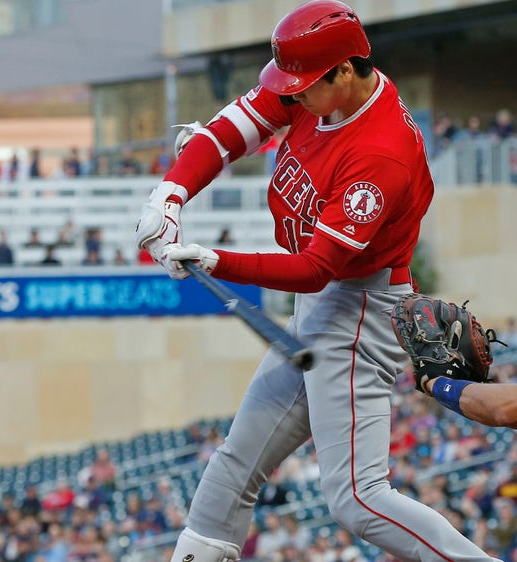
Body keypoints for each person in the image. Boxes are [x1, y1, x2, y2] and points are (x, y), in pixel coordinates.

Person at [133, 2, 497, 561]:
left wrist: (214, 260)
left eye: (302, 87)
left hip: (359, 308)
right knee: (239, 457)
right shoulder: (320, 83)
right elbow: (235, 129)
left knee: (357, 497)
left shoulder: (381, 153)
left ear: (346, 71)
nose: (292, 96)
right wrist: (172, 193)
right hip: (325, 304)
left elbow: (316, 270)